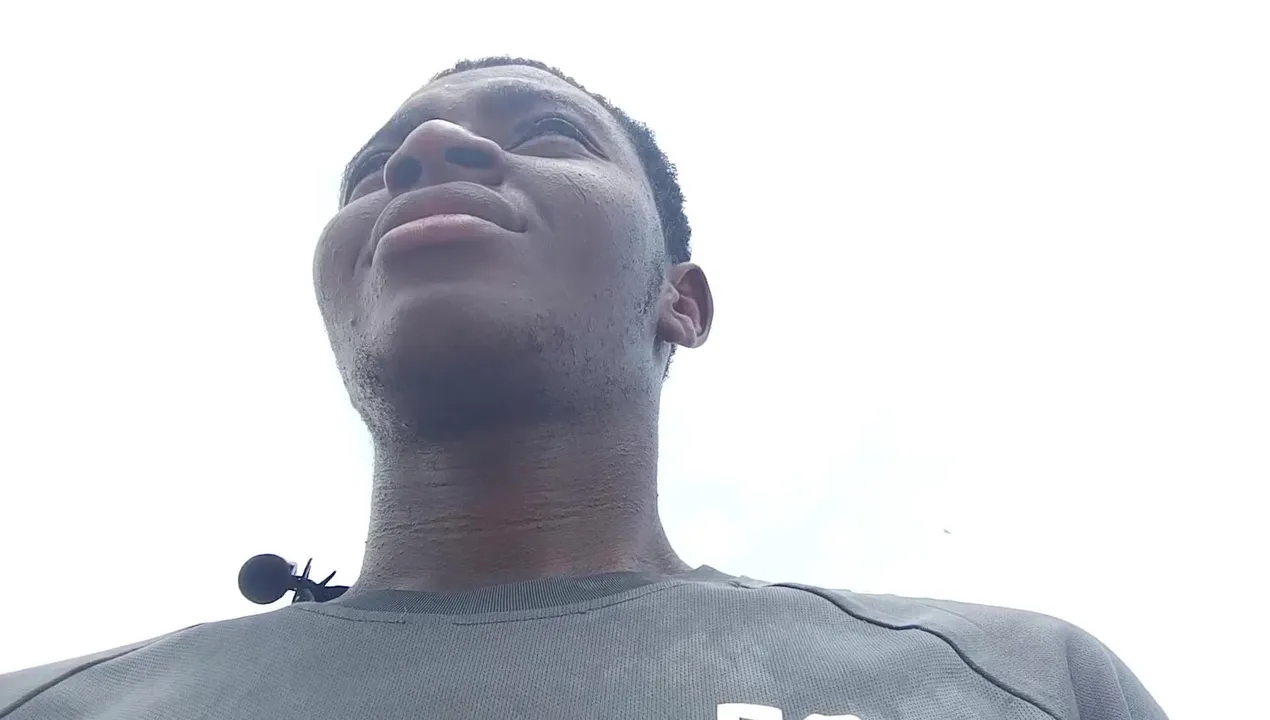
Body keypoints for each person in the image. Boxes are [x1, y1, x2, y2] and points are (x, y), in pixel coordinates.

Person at [0, 57, 1167, 720]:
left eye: (552, 136)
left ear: (682, 302)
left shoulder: (1018, 683)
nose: (425, 156)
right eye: (373, 170)